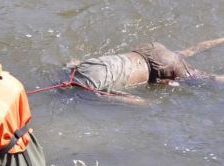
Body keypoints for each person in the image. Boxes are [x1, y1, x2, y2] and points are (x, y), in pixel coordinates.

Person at [67, 37, 224, 104]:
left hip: (161, 67)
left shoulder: (91, 90)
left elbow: (133, 100)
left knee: (210, 80)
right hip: (149, 50)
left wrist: (148, 102)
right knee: (186, 52)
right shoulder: (80, 67)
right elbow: (73, 61)